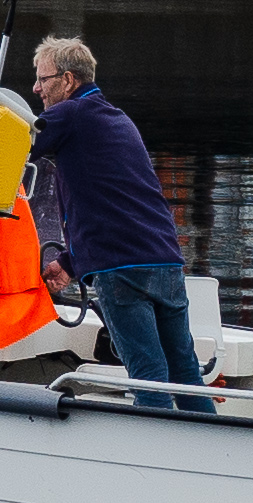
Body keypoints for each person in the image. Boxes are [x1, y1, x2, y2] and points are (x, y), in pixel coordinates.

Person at [24, 35, 206, 413]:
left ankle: (154, 461)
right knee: (185, 371)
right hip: (165, 261)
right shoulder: (117, 119)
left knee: (147, 374)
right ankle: (207, 451)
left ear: (69, 80)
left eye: (43, 79)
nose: (36, 88)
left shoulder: (70, 114)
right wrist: (70, 265)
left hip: (120, 269)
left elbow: (12, 145)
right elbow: (113, 201)